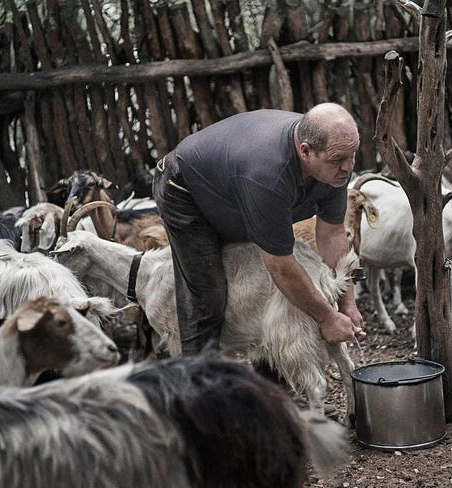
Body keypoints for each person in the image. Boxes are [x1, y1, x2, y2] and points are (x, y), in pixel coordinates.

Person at [153, 102, 365, 355]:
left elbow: (332, 233)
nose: (348, 166)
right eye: (339, 159)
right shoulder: (268, 175)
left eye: (352, 154)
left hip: (235, 186)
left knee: (268, 290)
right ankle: (199, 383)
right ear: (305, 151)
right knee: (208, 296)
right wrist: (327, 318)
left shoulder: (334, 156)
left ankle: (271, 383)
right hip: (185, 189)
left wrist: (346, 303)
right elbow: (280, 265)